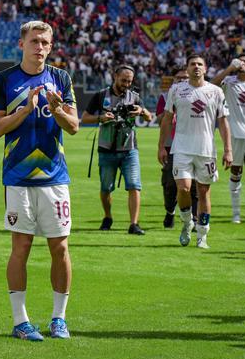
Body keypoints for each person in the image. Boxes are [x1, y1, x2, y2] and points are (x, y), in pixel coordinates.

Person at [0, 20, 79, 342]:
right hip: (17, 176)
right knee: (21, 247)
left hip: (54, 178)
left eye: (45, 42)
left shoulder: (61, 78)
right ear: (21, 44)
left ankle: (59, 318)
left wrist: (55, 109)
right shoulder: (4, 79)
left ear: (51, 46)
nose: (39, 47)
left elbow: (73, 126)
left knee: (60, 247)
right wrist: (26, 110)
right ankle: (20, 321)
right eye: (34, 41)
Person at [158, 53, 232, 249]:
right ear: (187, 68)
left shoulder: (216, 92)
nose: (196, 67)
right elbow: (166, 119)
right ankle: (186, 221)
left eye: (200, 64)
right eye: (192, 64)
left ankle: (202, 235)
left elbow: (223, 122)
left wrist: (228, 150)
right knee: (183, 188)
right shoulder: (177, 89)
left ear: (205, 69)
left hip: (206, 150)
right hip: (181, 148)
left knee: (203, 191)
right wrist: (161, 147)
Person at [81, 65, 153, 234]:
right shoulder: (100, 95)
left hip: (129, 149)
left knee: (135, 185)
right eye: (123, 80)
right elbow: (84, 117)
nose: (126, 84)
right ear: (115, 76)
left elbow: (149, 117)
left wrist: (141, 111)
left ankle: (134, 224)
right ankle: (108, 216)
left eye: (129, 81)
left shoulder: (134, 97)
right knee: (106, 188)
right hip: (106, 149)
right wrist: (101, 117)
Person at [210, 55, 245, 223]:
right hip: (234, 134)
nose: (243, 64)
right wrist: (229, 68)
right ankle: (236, 214)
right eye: (240, 61)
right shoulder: (228, 81)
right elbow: (211, 85)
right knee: (236, 172)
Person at [155, 68, 197, 229]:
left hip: (192, 144)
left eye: (185, 78)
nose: (182, 81)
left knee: (193, 184)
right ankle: (170, 211)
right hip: (170, 144)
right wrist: (169, 113)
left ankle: (194, 217)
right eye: (178, 78)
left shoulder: (198, 94)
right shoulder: (166, 96)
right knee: (169, 183)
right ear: (173, 79)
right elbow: (159, 120)